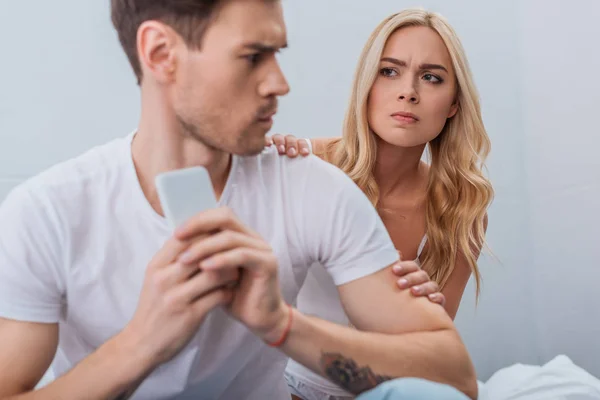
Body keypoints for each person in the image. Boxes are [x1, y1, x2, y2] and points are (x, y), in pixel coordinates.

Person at [0, 1, 478, 399]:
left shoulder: (316, 189)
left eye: (277, 54)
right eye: (253, 56)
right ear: (161, 53)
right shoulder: (45, 214)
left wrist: (279, 323)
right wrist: (140, 344)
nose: (280, 83)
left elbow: (454, 374)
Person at [269, 8, 493, 400]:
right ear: (366, 85)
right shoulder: (305, 164)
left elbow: (433, 364)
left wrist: (426, 311)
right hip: (282, 386)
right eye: (389, 71)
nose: (409, 91)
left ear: (454, 103)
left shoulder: (461, 209)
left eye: (431, 77)